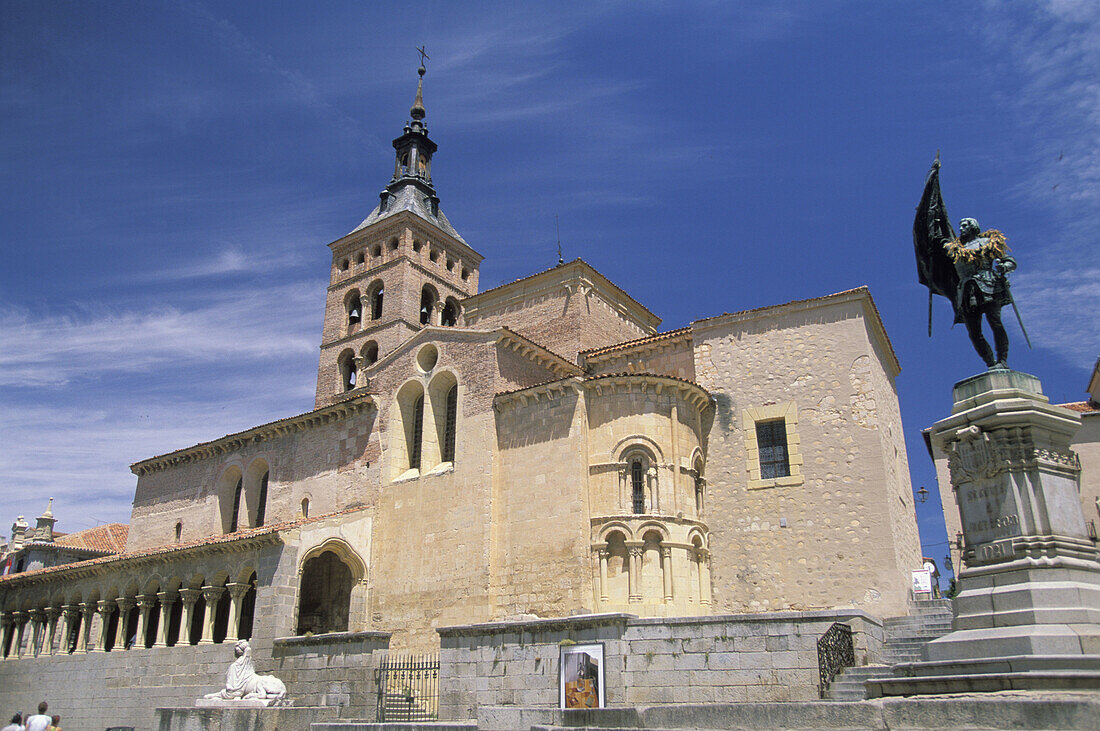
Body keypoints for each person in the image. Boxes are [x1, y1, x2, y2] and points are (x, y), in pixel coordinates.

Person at [945, 217, 1016, 369]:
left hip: (988, 285)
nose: (962, 228)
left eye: (965, 225)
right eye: (960, 225)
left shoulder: (986, 242)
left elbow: (1010, 261)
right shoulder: (956, 249)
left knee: (995, 322)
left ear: (973, 227)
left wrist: (1005, 266)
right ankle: (990, 363)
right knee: (973, 332)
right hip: (967, 291)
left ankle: (1002, 359)